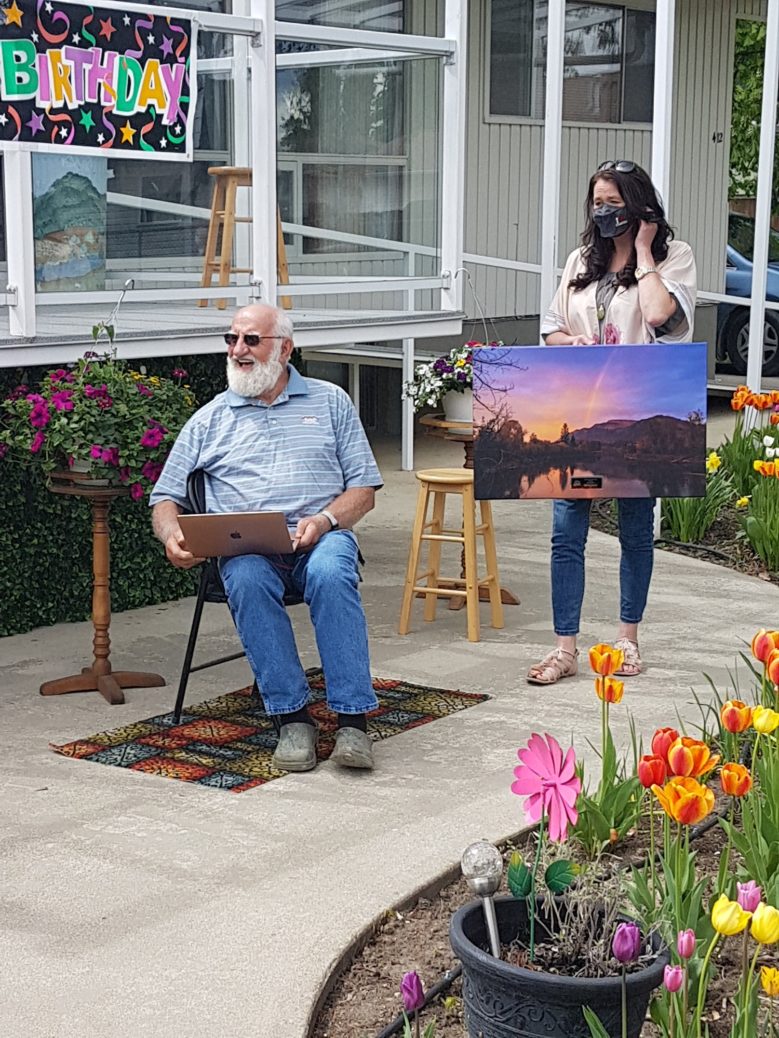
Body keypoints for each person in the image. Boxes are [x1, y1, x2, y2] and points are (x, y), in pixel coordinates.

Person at [150, 303, 383, 772]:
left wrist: (325, 520)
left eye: (251, 340)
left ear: (285, 347)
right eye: (232, 339)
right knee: (248, 578)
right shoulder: (210, 418)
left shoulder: (330, 401)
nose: (238, 350)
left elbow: (364, 490)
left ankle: (353, 723)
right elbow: (165, 496)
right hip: (247, 545)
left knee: (332, 570)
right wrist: (172, 535)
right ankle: (292, 719)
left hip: (321, 536)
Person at [527, 160, 697, 685]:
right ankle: (564, 647)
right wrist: (569, 342)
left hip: (637, 408)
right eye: (597, 203)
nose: (604, 212)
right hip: (579, 409)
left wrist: (644, 252)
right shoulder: (581, 260)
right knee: (566, 533)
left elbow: (658, 318)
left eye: (614, 204)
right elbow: (551, 328)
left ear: (639, 206)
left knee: (635, 532)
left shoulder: (675, 257)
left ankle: (627, 640)